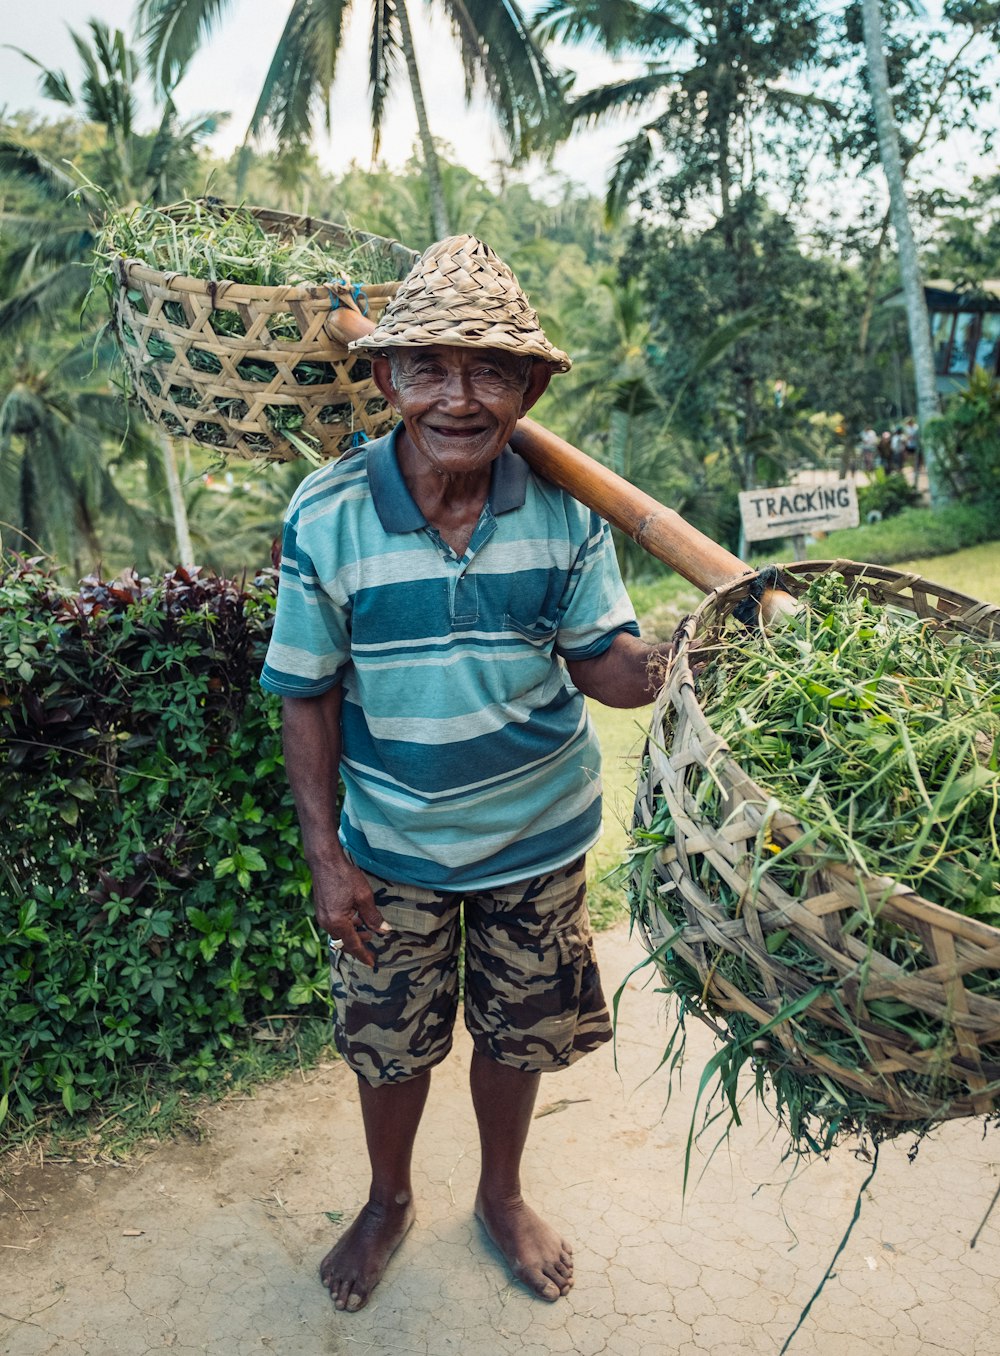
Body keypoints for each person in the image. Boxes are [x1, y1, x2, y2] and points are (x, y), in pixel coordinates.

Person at [260, 235, 669, 1313]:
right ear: (388, 378)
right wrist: (327, 858)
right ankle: (388, 1197)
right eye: (430, 368)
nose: (459, 398)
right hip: (390, 845)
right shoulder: (328, 515)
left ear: (529, 388)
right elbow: (305, 691)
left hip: (537, 838)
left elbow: (606, 672)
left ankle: (499, 1193)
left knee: (519, 1029)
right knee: (389, 1045)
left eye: (490, 370)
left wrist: (683, 657)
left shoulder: (569, 511)